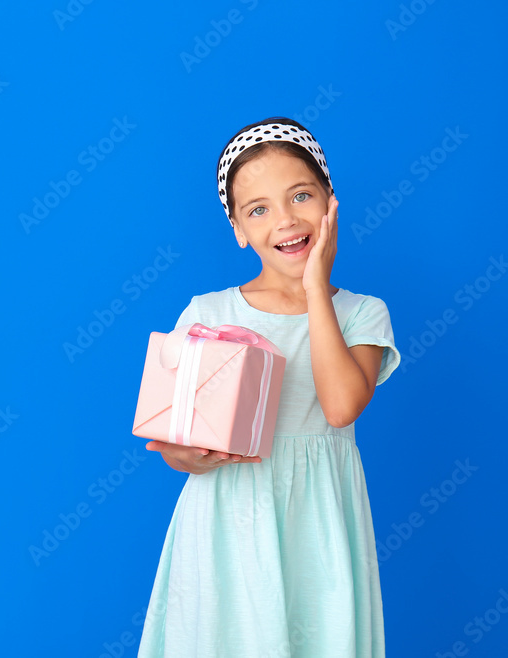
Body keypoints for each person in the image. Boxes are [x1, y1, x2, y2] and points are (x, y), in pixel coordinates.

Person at [137, 117, 400, 657]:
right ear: (238, 228)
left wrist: (314, 291)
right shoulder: (207, 313)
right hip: (225, 520)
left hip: (319, 524)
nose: (285, 220)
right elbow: (173, 443)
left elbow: (341, 406)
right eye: (258, 209)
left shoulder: (361, 314)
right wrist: (188, 455)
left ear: (330, 202)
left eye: (301, 196)